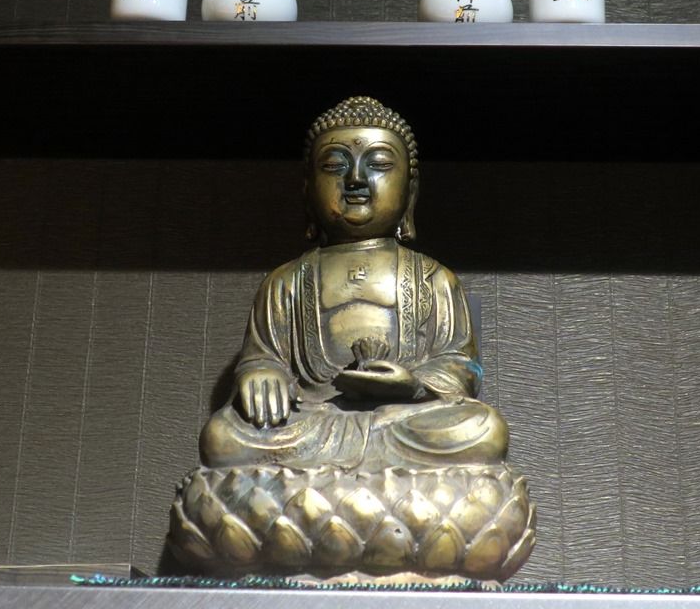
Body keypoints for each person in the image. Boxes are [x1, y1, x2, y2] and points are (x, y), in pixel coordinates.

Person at [199, 97, 508, 472]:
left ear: (410, 190)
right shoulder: (285, 281)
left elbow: (462, 366)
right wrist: (262, 374)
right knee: (222, 437)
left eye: (379, 165)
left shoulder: (434, 279)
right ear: (308, 189)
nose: (356, 180)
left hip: (400, 420)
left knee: (485, 429)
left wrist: (412, 386)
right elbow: (264, 356)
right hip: (312, 421)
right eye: (334, 166)